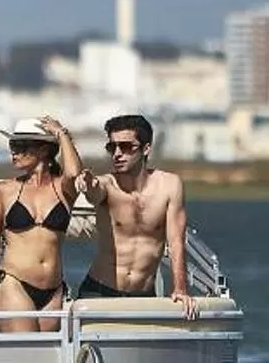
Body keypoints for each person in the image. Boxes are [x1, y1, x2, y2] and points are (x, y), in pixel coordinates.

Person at [75, 112, 194, 319]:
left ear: (146, 148)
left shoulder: (169, 185)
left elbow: (176, 242)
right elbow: (94, 191)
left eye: (127, 147)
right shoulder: (106, 185)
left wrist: (180, 289)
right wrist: (86, 184)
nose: (118, 154)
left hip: (143, 296)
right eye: (112, 147)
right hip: (100, 292)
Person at [0, 115, 85, 332]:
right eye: (12, 145)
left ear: (43, 150)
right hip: (14, 282)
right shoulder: (5, 190)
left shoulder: (63, 189)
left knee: (48, 360)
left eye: (20, 146)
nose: (13, 152)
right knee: (25, 356)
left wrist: (61, 134)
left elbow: (74, 173)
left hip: (53, 289)